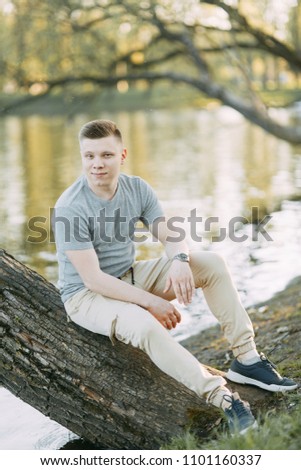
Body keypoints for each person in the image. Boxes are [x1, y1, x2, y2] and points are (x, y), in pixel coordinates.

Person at [52, 119, 298, 435]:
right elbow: (93, 280)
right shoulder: (70, 207)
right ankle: (224, 399)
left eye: (106, 155)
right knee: (145, 325)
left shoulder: (136, 188)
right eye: (89, 156)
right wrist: (151, 302)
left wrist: (180, 259)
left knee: (210, 263)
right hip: (87, 296)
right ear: (82, 157)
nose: (97, 164)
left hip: (128, 276)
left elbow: (171, 235)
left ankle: (247, 360)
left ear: (122, 154)